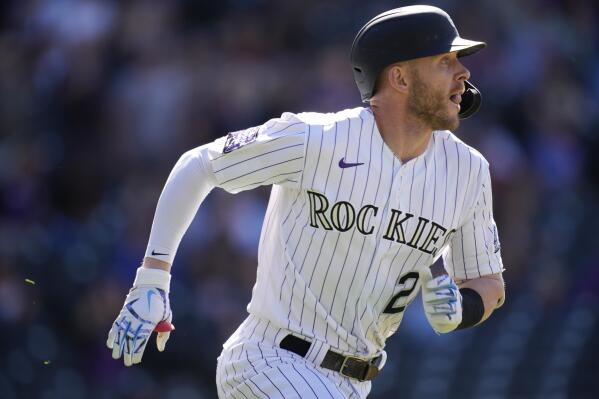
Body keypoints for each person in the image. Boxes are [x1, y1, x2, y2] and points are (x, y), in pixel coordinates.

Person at [107, 5, 505, 398]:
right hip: (270, 360)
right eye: (445, 61)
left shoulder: (467, 171)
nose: (463, 73)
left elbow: (489, 284)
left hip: (355, 381)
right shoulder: (318, 139)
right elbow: (198, 165)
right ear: (399, 77)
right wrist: (153, 278)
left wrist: (463, 309)